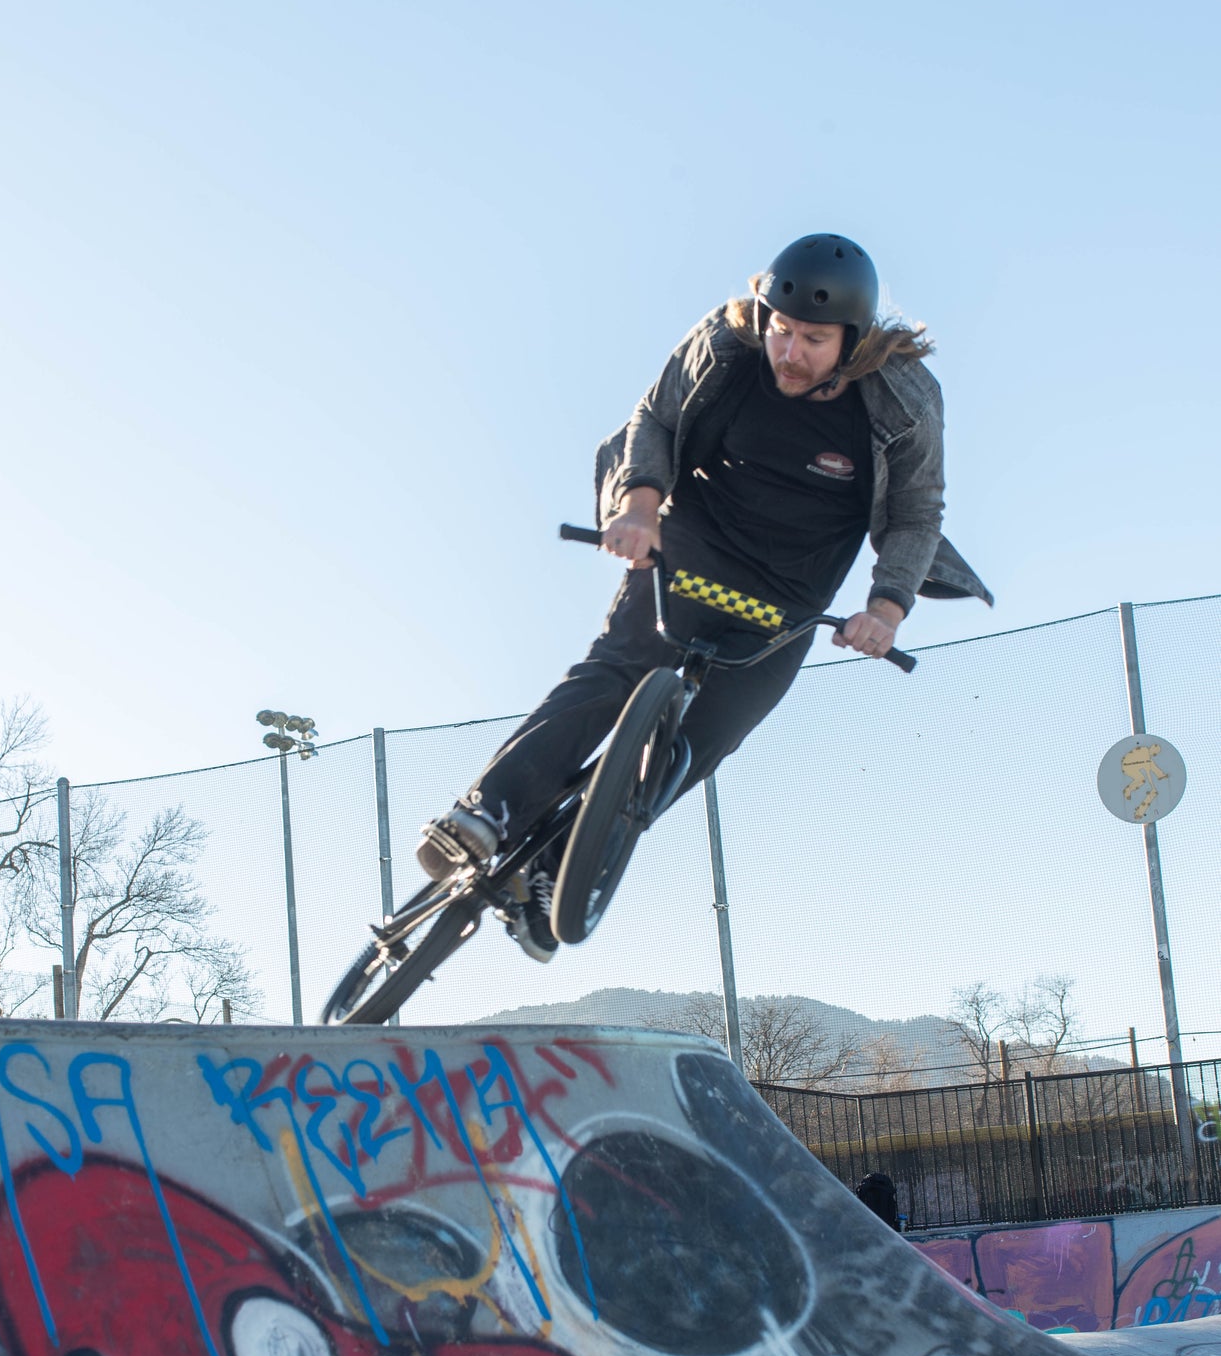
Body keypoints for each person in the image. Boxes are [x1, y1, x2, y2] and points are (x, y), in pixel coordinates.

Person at [417, 233, 992, 960]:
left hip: (787, 595)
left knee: (703, 740)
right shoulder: (726, 341)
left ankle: (556, 875)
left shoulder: (904, 399)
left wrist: (883, 611)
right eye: (782, 331)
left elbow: (915, 513)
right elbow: (654, 419)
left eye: (812, 340)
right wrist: (636, 507)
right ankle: (486, 809)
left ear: (851, 341)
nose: (789, 352)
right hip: (689, 543)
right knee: (621, 665)